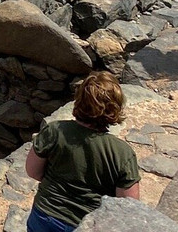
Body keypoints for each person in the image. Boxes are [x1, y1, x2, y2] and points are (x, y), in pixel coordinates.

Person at [25, 71, 140, 232]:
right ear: (116, 107)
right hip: (87, 224)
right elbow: (128, 205)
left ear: (79, 100)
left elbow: (33, 171)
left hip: (45, 215)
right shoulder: (122, 153)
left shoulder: (54, 131)